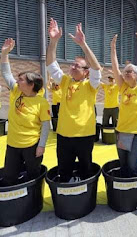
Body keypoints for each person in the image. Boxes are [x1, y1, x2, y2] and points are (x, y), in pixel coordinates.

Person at [46, 18, 102, 182]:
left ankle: (84, 198)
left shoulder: (91, 85)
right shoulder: (64, 81)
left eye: (76, 65)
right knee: (64, 170)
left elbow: (97, 68)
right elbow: (50, 64)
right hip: (64, 134)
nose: (72, 67)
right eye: (72, 64)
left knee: (86, 169)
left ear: (86, 71)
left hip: (84, 135)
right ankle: (66, 195)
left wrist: (83, 44)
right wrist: (53, 41)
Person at [1, 38, 51, 185]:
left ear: (31, 84)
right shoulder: (17, 91)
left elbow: (46, 126)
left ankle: (32, 201)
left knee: (32, 175)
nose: (17, 81)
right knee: (9, 175)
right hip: (12, 144)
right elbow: (6, 73)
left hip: (31, 145)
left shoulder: (42, 102)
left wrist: (41, 145)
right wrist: (5, 53)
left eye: (21, 79)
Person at [110, 29, 137, 177]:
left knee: (133, 165)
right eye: (125, 71)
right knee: (123, 164)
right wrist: (113, 49)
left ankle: (134, 190)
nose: (126, 73)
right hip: (121, 132)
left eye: (130, 71)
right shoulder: (123, 87)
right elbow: (115, 68)